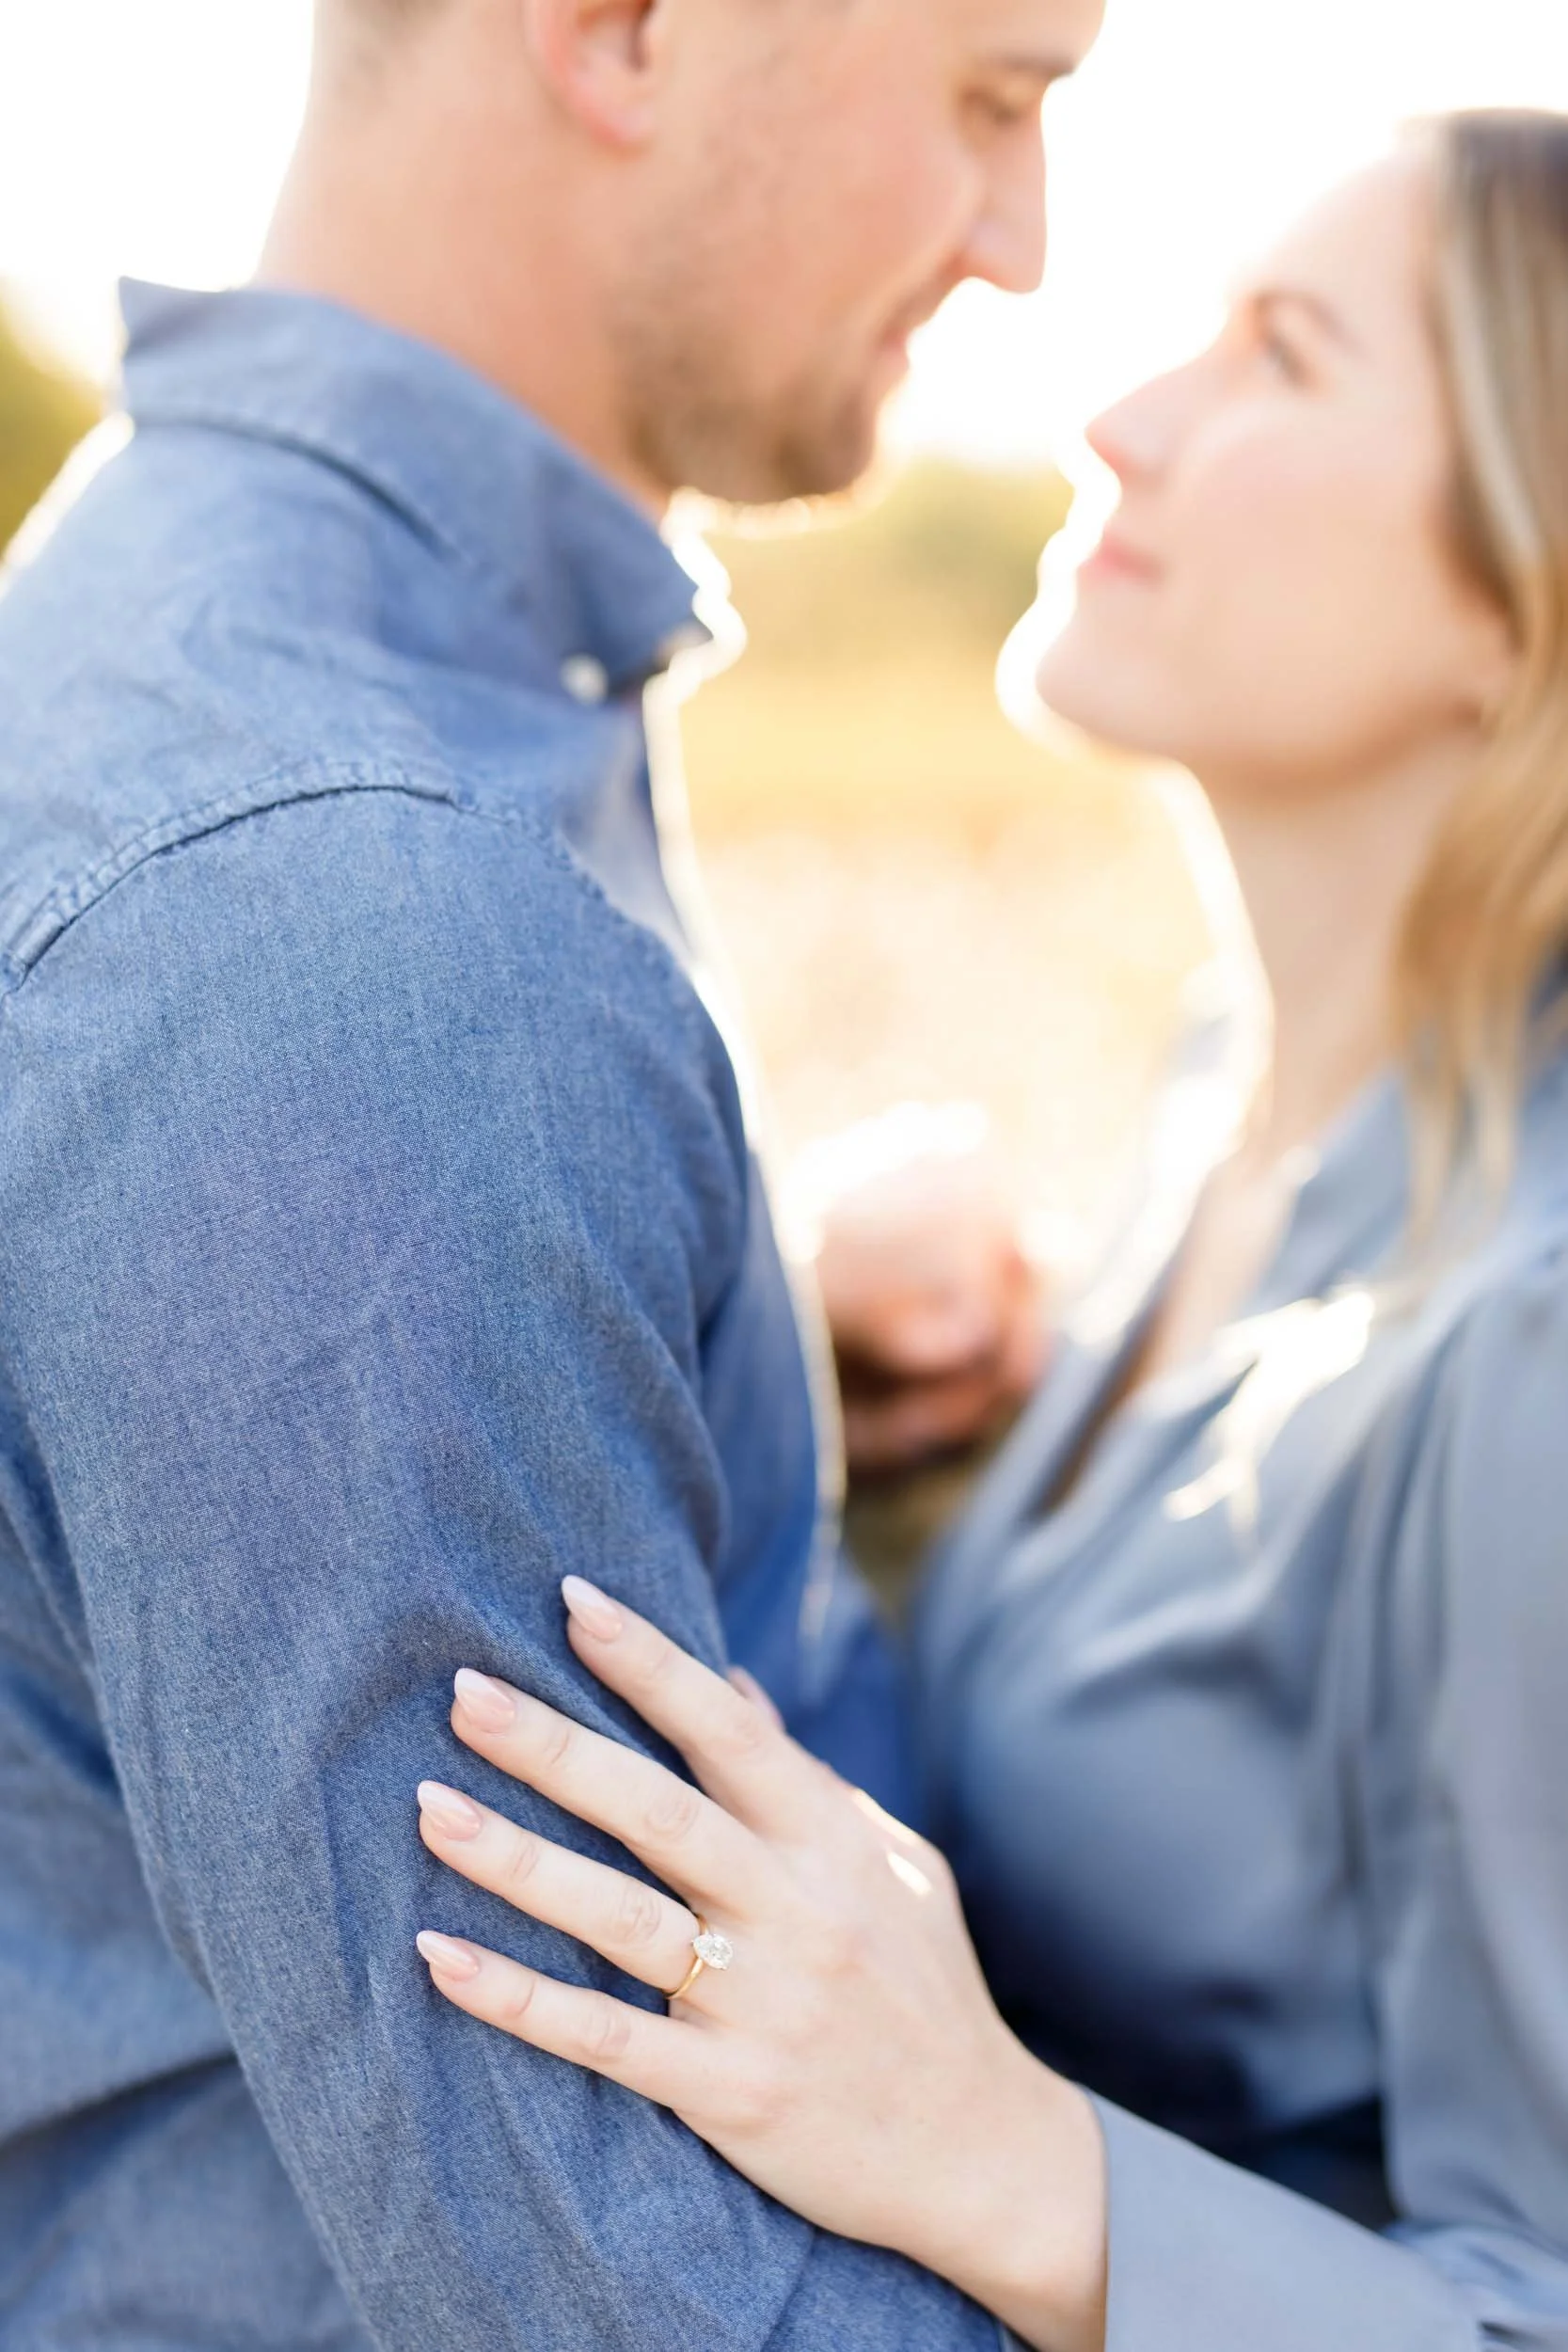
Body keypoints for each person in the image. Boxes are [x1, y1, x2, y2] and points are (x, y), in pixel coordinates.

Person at [407, 113, 1568, 2350]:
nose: (1119, 414)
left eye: (1280, 360)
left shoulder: (1530, 1352)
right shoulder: (1233, 1095)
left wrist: (1014, 2157)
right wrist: (865, 1411)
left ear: (1515, 592)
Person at [0, 1, 1101, 2346]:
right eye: (992, 100)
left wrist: (705, 1356)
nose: (1022, 243)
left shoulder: (353, 716)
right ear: (620, 32)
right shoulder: (347, 926)